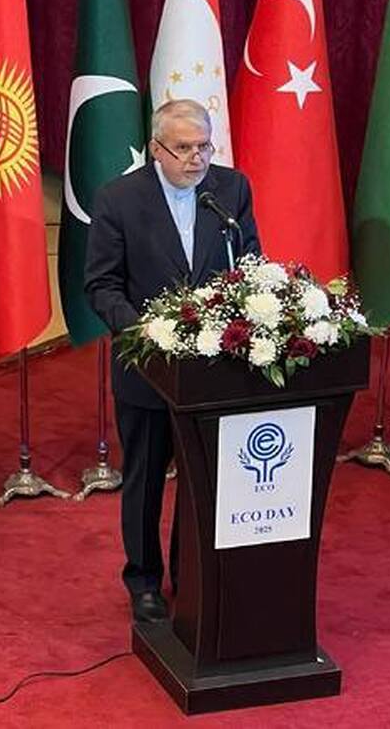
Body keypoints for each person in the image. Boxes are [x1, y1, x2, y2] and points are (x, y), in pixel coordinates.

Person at [84, 99, 260, 625]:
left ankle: (192, 572)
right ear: (156, 149)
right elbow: (101, 285)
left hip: (213, 369)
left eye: (203, 146)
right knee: (144, 480)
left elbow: (250, 261)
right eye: (183, 148)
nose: (196, 158)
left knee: (204, 478)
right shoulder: (118, 199)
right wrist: (142, 331)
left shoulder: (231, 190)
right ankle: (143, 580)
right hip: (148, 369)